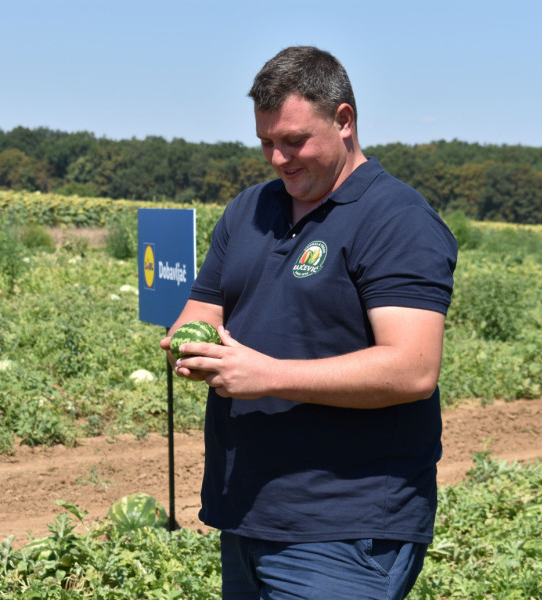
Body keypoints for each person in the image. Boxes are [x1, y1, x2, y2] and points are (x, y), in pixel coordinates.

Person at [160, 46, 458, 600]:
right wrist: (188, 349)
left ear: (344, 121)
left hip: (345, 529)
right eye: (266, 142)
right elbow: (200, 313)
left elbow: (413, 368)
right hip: (247, 512)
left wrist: (267, 375)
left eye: (294, 141)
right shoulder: (249, 210)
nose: (278, 158)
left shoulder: (397, 220)